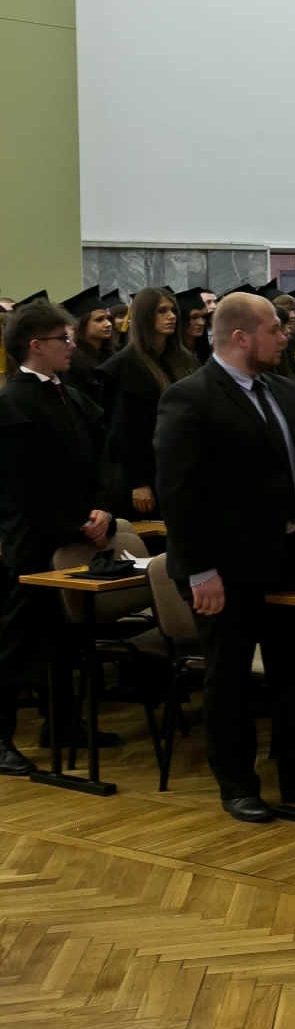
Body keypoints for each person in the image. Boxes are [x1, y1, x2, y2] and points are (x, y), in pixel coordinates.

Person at [154, 293, 295, 821]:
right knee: (229, 678)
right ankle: (238, 784)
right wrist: (200, 570)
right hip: (225, 567)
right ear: (240, 337)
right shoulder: (190, 398)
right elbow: (178, 494)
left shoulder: (285, 391)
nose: (284, 337)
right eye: (274, 329)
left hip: (287, 556)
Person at [0, 301, 115, 775]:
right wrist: (75, 522)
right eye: (63, 339)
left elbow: (104, 453)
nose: (71, 346)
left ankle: (62, 721)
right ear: (35, 346)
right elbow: (24, 482)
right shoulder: (13, 401)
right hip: (34, 538)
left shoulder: (68, 393)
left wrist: (104, 507)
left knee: (64, 638)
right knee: (17, 642)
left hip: (78, 530)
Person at [98, 287, 198, 519]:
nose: (171, 316)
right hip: (148, 470)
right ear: (144, 316)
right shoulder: (125, 365)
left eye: (172, 311)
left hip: (184, 466)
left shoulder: (184, 360)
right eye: (161, 311)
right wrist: (139, 481)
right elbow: (125, 430)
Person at [60, 287, 115, 409]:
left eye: (108, 318)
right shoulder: (73, 363)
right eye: (99, 320)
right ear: (83, 325)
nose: (108, 324)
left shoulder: (112, 356)